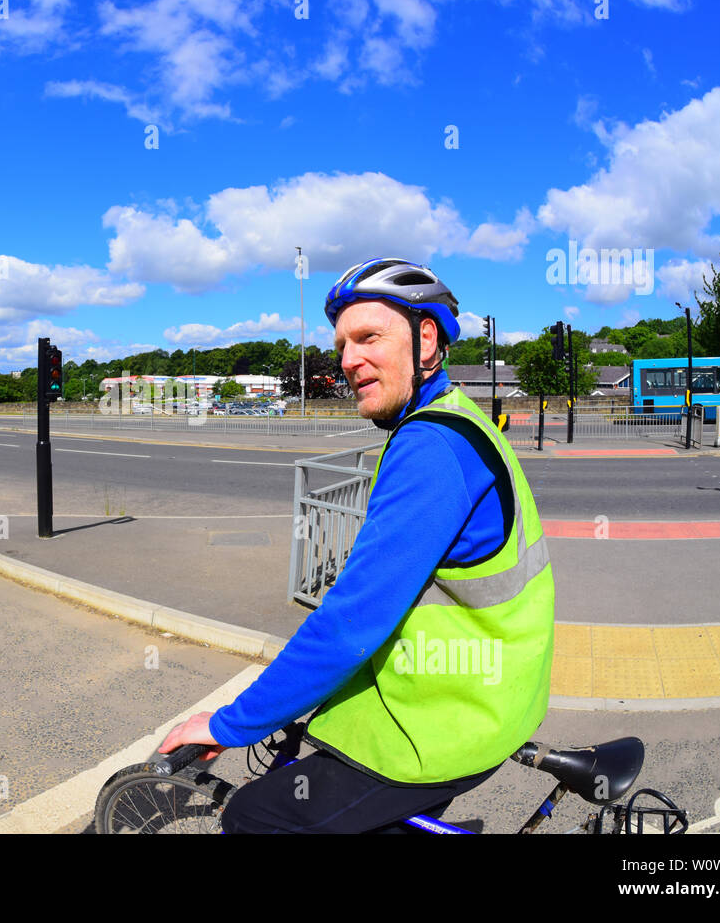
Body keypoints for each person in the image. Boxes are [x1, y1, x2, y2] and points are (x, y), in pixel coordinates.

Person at [157, 257, 555, 833]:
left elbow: (350, 623)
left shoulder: (431, 448)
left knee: (254, 816)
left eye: (369, 337)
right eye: (342, 344)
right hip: (487, 699)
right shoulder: (458, 418)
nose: (348, 360)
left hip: (445, 721)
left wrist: (230, 724)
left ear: (426, 340)